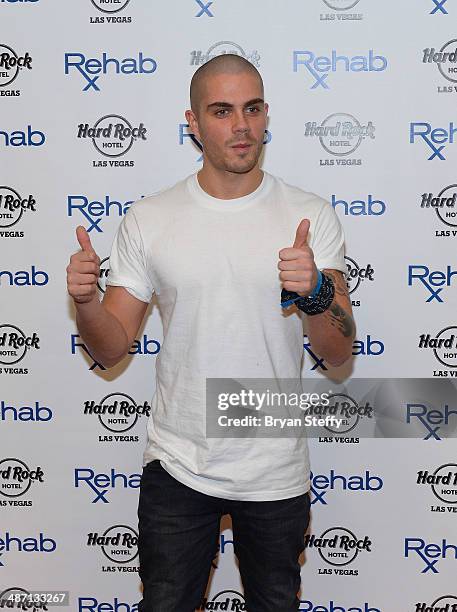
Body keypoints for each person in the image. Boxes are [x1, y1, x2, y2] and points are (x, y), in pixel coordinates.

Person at [67, 54, 355, 612]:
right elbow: (110, 347)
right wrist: (85, 302)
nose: (240, 126)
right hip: (179, 463)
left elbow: (338, 350)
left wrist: (316, 290)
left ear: (267, 114)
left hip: (274, 469)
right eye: (221, 111)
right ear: (193, 123)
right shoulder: (150, 218)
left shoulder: (309, 213)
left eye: (251, 108)